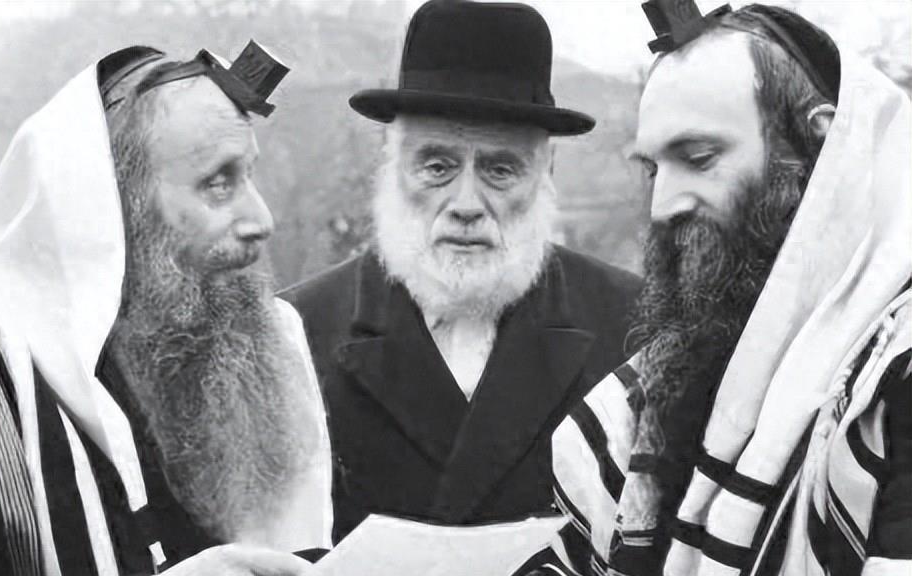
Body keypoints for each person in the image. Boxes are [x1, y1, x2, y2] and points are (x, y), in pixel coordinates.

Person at [517, 2, 911, 575]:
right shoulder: (669, 381)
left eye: (698, 158)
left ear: (818, 150)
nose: (661, 206)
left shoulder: (893, 377)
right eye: (654, 169)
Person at [0, 42, 332, 576]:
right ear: (112, 204)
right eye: (217, 183)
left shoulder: (271, 341)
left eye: (249, 175)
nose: (262, 219)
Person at [280, 0, 641, 544]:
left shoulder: (634, 327)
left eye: (500, 170)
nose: (466, 203)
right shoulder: (295, 334)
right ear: (391, 164)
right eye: (437, 166)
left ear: (547, 171)